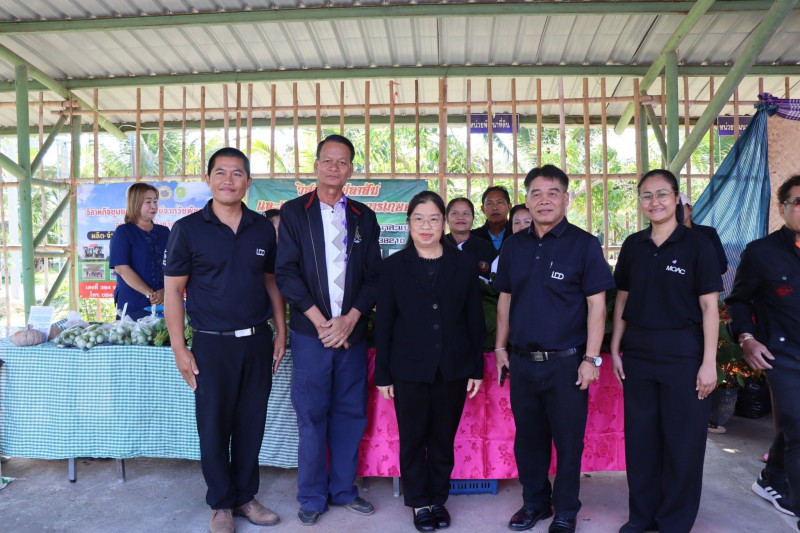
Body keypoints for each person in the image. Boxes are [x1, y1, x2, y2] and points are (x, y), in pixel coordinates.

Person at [163, 147, 287, 533]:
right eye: (220, 172)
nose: (228, 180)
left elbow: (271, 283)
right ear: (208, 178)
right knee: (214, 425)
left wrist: (280, 332)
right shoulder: (187, 229)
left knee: (251, 423)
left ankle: (245, 497)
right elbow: (173, 291)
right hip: (211, 345)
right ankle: (220, 504)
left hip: (257, 341)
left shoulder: (262, 228)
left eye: (237, 174)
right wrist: (179, 348)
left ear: (248, 181)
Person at [494, 164, 614, 533]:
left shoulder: (584, 244)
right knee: (528, 441)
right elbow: (504, 299)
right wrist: (500, 347)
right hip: (522, 362)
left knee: (567, 442)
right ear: (527, 200)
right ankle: (534, 504)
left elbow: (597, 306)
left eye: (552, 193)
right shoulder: (514, 245)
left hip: (567, 364)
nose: (544, 200)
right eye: (536, 193)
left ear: (566, 198)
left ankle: (565, 509)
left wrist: (591, 358)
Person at [275, 134, 382, 526]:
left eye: (342, 162)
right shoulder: (294, 212)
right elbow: (286, 273)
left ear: (351, 169)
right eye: (328, 160)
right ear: (316, 165)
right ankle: (312, 496)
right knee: (311, 415)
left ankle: (343, 490)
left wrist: (350, 319)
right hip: (311, 336)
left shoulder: (363, 216)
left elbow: (374, 277)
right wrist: (322, 323)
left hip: (352, 334)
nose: (334, 168)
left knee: (350, 413)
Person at [610, 169, 721, 533]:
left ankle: (674, 521)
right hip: (639, 354)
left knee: (682, 442)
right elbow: (622, 298)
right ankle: (641, 517)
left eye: (661, 194)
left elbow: (709, 307)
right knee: (641, 441)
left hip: (684, 355)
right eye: (646, 195)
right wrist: (615, 345)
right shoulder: (633, 245)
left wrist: (709, 363)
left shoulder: (698, 245)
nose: (654, 202)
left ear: (676, 198)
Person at [375, 191, 486, 532]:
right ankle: (418, 502)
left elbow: (474, 318)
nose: (426, 226)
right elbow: (384, 323)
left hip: (453, 367)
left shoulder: (463, 264)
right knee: (413, 439)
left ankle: (438, 498)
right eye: (419, 219)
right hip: (408, 368)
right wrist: (383, 374)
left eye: (434, 219)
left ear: (444, 223)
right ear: (408, 223)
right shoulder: (393, 267)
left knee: (442, 438)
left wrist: (476, 367)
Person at [726, 175, 800, 521]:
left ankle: (771, 477)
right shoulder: (761, 252)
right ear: (782, 208)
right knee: (798, 426)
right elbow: (738, 300)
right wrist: (747, 338)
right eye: (798, 202)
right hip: (781, 356)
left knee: (794, 423)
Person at [108, 183, 170, 320]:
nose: (153, 206)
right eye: (148, 202)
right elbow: (122, 268)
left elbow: (174, 265)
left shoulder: (164, 232)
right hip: (133, 304)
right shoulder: (123, 232)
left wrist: (166, 291)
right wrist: (150, 294)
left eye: (155, 201)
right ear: (135, 203)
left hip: (164, 302)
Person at [444, 197, 496, 278]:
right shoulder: (437, 245)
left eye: (466, 213)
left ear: (473, 218)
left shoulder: (486, 247)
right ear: (446, 218)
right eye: (455, 213)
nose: (461, 217)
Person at [679, 193, 728, 275]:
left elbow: (721, 265)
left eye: (680, 208)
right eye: (672, 209)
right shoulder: (664, 236)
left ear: (690, 209)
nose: (676, 212)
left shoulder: (708, 233)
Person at [472, 186, 511, 250]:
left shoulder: (516, 233)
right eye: (489, 203)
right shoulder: (473, 236)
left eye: (500, 202)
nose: (495, 207)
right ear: (483, 209)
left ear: (509, 207)